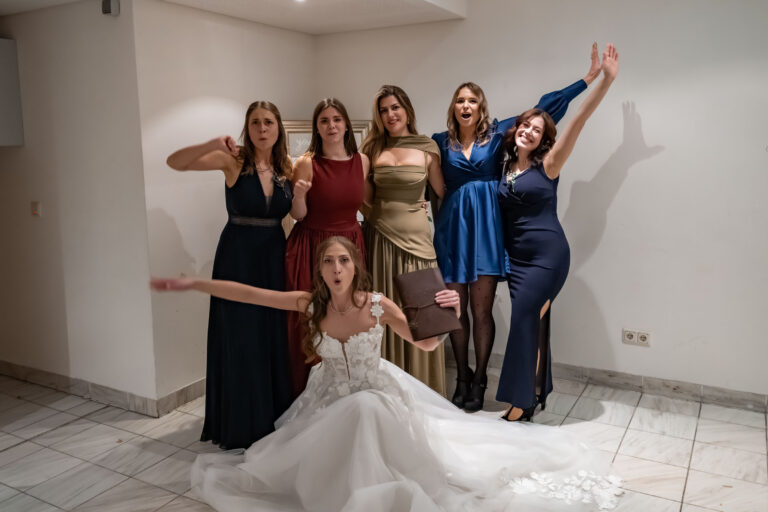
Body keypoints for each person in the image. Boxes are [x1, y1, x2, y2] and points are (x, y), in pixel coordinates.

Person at [151, 236, 621, 512]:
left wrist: (451, 312)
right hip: (327, 403)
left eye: (344, 260)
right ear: (320, 270)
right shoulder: (309, 303)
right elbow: (250, 294)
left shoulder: (377, 305)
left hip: (377, 397)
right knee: (323, 438)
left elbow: (425, 344)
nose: (336, 268)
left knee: (365, 408)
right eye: (328, 262)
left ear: (355, 267)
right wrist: (193, 283)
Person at [432, 44, 602, 412]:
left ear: (481, 107)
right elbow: (425, 180)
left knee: (481, 310)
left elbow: (545, 109)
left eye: (472, 100)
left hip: (487, 232)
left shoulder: (497, 135)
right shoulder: (438, 142)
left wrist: (587, 79)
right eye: (460, 100)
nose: (465, 105)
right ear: (453, 107)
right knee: (454, 309)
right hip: (453, 231)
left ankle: (481, 379)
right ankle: (461, 377)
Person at [498, 44, 620, 422]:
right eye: (525, 125)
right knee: (530, 323)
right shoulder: (503, 167)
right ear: (516, 128)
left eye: (537, 129)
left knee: (523, 321)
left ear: (544, 138)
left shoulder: (549, 164)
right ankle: (535, 393)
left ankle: (519, 405)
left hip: (547, 258)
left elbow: (578, 119)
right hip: (517, 260)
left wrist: (603, 81)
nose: (529, 131)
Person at [165, 101, 294, 448]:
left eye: (268, 122)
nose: (262, 129)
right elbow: (175, 162)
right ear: (247, 129)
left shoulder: (287, 168)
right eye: (255, 122)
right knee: (240, 336)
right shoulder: (234, 161)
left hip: (273, 257)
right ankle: (240, 424)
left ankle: (270, 416)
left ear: (278, 127)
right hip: (238, 257)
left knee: (269, 335)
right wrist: (211, 144)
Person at [361, 85, 447, 395]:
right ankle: (387, 394)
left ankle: (425, 391)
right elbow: (365, 197)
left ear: (407, 110)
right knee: (384, 315)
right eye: (383, 110)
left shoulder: (428, 148)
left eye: (395, 107)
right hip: (380, 241)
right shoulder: (372, 148)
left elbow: (441, 194)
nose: (390, 115)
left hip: (419, 244)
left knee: (424, 318)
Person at [284, 98, 370, 397]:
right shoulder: (307, 163)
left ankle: (347, 395)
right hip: (313, 249)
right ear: (317, 128)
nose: (331, 125)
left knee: (348, 319)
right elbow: (298, 215)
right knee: (312, 323)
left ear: (346, 125)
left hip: (350, 247)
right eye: (324, 120)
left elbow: (364, 203)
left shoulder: (362, 161)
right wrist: (298, 195)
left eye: (336, 119)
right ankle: (311, 398)